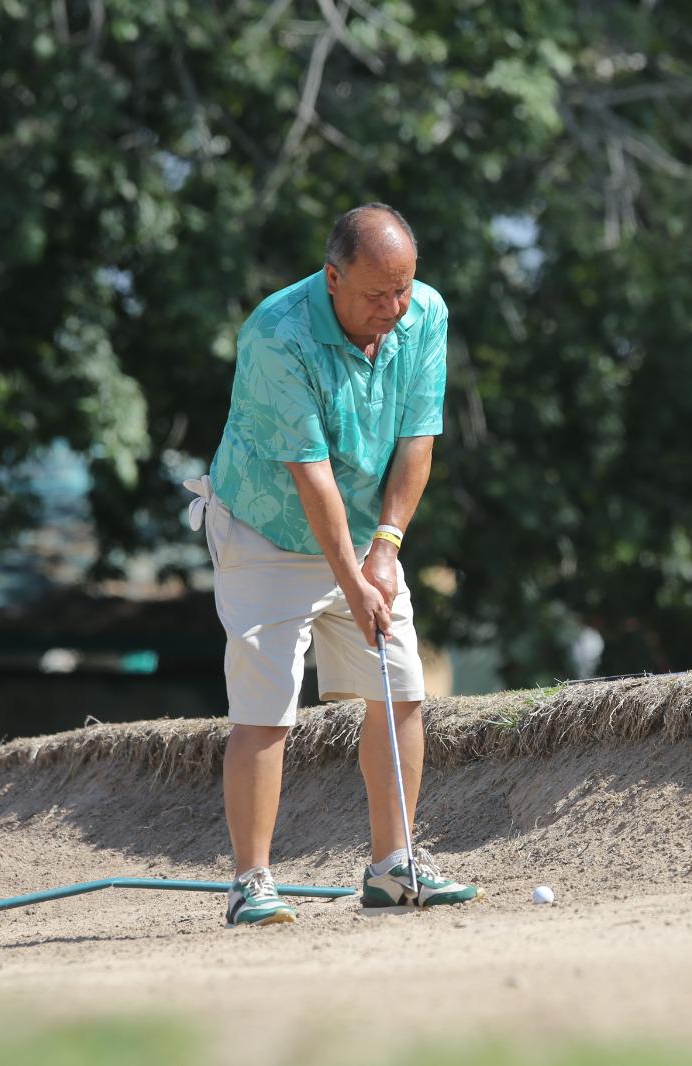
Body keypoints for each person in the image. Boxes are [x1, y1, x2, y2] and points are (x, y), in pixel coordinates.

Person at [185, 203, 481, 926]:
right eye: (376, 294)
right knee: (266, 706)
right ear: (332, 277)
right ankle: (250, 883)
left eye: (403, 288)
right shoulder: (277, 334)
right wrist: (352, 579)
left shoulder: (424, 315)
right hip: (265, 528)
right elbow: (308, 474)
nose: (394, 307)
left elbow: (417, 440)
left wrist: (386, 548)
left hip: (361, 533)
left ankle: (392, 869)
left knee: (402, 688)